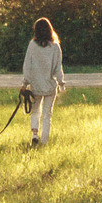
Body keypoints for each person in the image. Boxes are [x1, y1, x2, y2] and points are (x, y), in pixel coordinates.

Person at [20, 17, 67, 146]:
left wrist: (25, 83)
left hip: (35, 85)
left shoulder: (32, 45)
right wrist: (61, 83)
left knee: (35, 111)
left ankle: (35, 134)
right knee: (47, 115)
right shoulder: (55, 47)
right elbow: (58, 68)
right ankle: (44, 141)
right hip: (50, 86)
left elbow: (27, 65)